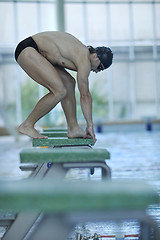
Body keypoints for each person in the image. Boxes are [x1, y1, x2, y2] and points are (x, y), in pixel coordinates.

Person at [15, 31, 113, 143]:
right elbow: (85, 95)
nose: (96, 71)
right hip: (29, 50)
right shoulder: (84, 59)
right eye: (99, 68)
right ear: (95, 56)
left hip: (38, 52)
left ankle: (73, 128)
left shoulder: (82, 52)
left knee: (69, 83)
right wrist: (90, 125)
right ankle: (27, 125)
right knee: (59, 91)